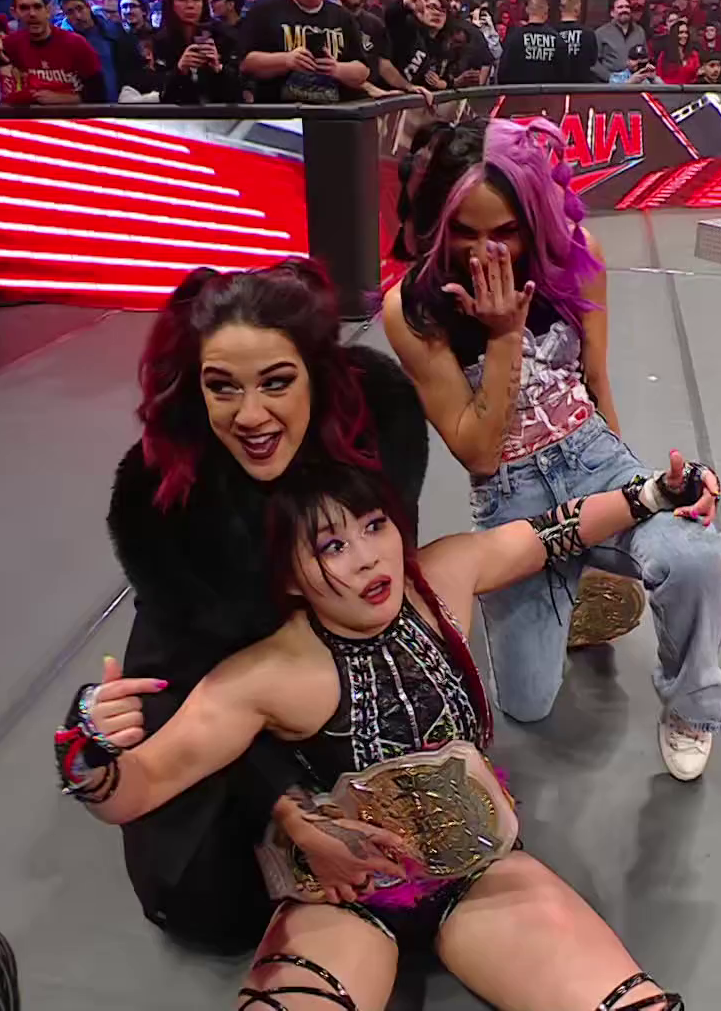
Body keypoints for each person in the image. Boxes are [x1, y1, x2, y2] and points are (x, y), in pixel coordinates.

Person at [61, 452, 706, 1010]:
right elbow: (138, 789)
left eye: (374, 526)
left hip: (480, 871)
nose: (368, 558)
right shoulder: (269, 673)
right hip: (341, 900)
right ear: (288, 577)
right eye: (332, 547)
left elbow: (552, 532)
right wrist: (86, 748)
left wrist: (652, 494)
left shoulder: (442, 576)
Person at [95, 260, 434, 951]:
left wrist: (646, 499)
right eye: (222, 387)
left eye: (275, 382)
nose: (249, 416)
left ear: (317, 374)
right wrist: (292, 811)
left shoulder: (378, 432)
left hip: (332, 688)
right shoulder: (170, 507)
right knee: (212, 908)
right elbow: (187, 694)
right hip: (215, 710)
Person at [384, 118, 721, 781]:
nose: (486, 252)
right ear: (439, 222)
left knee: (694, 555)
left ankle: (691, 705)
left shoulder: (577, 253)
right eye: (465, 232)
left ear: (534, 219)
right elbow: (478, 456)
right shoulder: (414, 307)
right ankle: (577, 590)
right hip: (511, 496)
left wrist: (635, 494)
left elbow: (595, 378)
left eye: (505, 231)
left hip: (590, 456)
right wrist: (503, 335)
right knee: (526, 705)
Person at [240, 0, 371, 103]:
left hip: (334, 113)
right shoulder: (266, 10)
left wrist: (336, 69)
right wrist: (286, 61)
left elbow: (363, 71)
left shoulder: (343, 17)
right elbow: (246, 64)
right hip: (280, 114)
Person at [0, 0, 104, 104]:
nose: (32, 14)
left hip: (72, 115)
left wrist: (63, 99)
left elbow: (99, 94)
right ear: (14, 12)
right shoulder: (11, 44)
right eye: (24, 8)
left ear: (48, 9)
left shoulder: (76, 44)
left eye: (37, 7)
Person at [151, 0, 240, 104]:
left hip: (218, 111)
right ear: (170, 4)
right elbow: (160, 93)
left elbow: (240, 92)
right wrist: (180, 70)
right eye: (182, 0)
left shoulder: (225, 35)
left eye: (196, 0)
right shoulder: (160, 41)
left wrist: (219, 68)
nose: (190, 5)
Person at [57, 0, 150, 100]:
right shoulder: (61, 43)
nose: (78, 16)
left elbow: (134, 69)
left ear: (88, 6)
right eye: (70, 12)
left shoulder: (116, 32)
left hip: (121, 102)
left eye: (80, 8)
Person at [593, 0, 646, 82]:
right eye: (620, 7)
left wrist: (638, 64)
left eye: (627, 7)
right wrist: (610, 78)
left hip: (636, 82)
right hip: (610, 84)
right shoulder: (601, 33)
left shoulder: (640, 31)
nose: (624, 10)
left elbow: (645, 57)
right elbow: (594, 62)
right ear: (612, 13)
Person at [555, 0, 599, 84]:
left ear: (560, 8)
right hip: (582, 87)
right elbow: (593, 61)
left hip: (557, 86)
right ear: (577, 9)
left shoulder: (553, 34)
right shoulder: (588, 34)